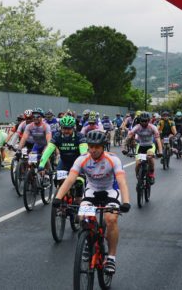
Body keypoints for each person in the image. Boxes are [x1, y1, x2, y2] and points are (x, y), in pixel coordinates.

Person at [54, 130, 130, 275]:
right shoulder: (82, 159)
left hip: (110, 191)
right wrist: (58, 198)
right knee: (83, 217)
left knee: (111, 219)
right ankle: (89, 241)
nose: (93, 150)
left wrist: (126, 202)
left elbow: (122, 182)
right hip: (91, 190)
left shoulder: (113, 159)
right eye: (91, 146)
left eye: (97, 147)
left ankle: (111, 258)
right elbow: (70, 180)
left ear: (103, 147)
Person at [123, 112, 163, 184]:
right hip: (140, 146)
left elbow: (158, 140)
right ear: (140, 120)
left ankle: (151, 173)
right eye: (142, 121)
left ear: (148, 121)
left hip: (150, 145)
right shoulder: (137, 127)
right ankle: (138, 177)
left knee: (150, 157)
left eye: (146, 121)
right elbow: (128, 138)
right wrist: (124, 148)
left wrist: (160, 151)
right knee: (138, 163)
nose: (144, 123)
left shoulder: (153, 127)